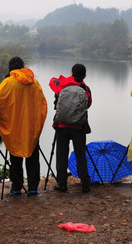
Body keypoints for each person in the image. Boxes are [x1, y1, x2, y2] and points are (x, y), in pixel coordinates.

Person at [0, 56, 47, 195]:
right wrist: (37, 124)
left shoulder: (8, 83)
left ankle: (16, 187)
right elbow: (43, 106)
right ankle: (33, 187)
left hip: (14, 127)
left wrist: (5, 119)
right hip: (31, 128)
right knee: (33, 157)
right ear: (23, 67)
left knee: (15, 157)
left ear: (10, 68)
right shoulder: (34, 83)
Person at [49, 63, 92, 193]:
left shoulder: (61, 85)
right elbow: (88, 104)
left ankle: (62, 184)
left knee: (61, 154)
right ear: (84, 75)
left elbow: (51, 81)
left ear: (72, 73)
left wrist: (66, 79)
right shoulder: (85, 88)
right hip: (79, 126)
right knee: (80, 155)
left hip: (61, 125)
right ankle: (85, 183)